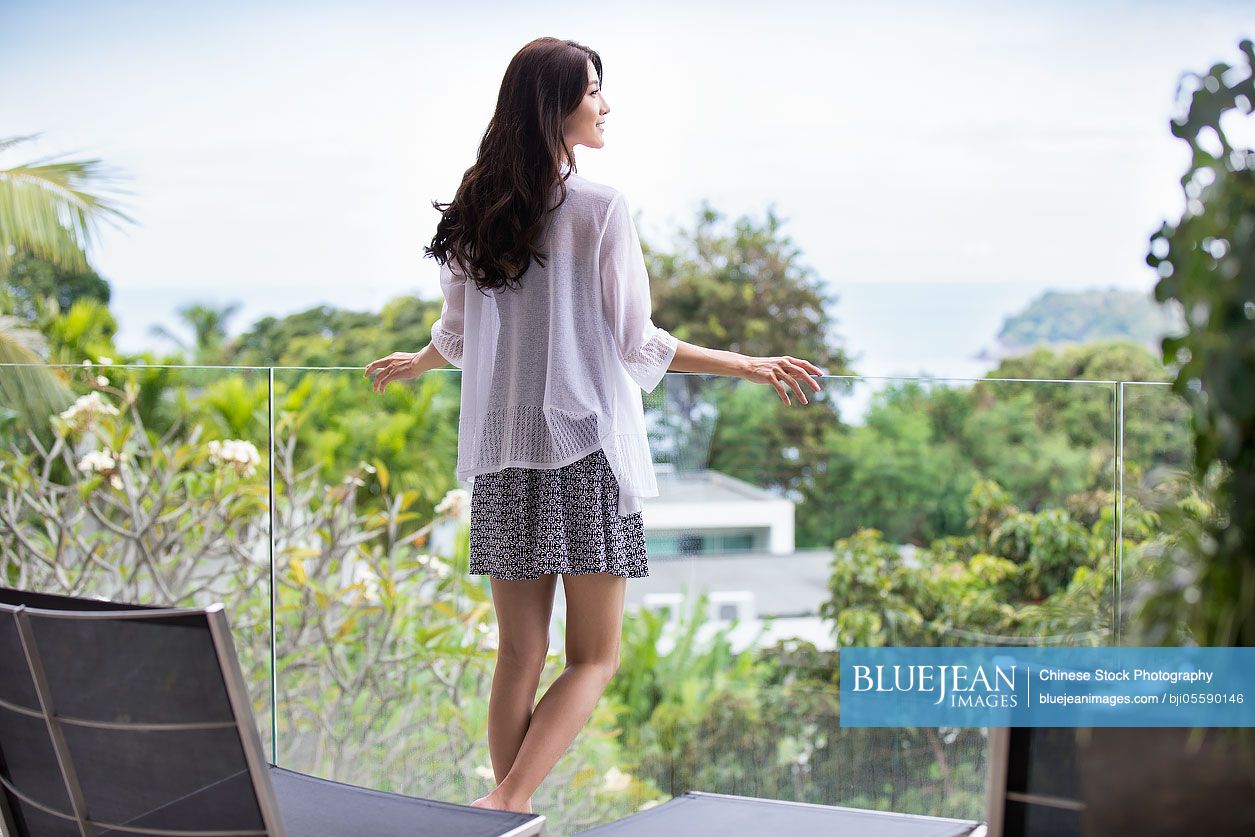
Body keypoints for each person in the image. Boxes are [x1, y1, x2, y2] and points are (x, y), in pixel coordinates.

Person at [365, 36, 824, 814]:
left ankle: (503, 813)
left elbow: (458, 333)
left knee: (518, 655)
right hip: (584, 451)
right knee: (594, 657)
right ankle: (509, 801)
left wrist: (418, 361)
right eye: (592, 91)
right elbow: (637, 342)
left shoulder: (477, 212)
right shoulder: (598, 208)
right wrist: (746, 364)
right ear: (555, 106)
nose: (605, 105)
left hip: (505, 454)